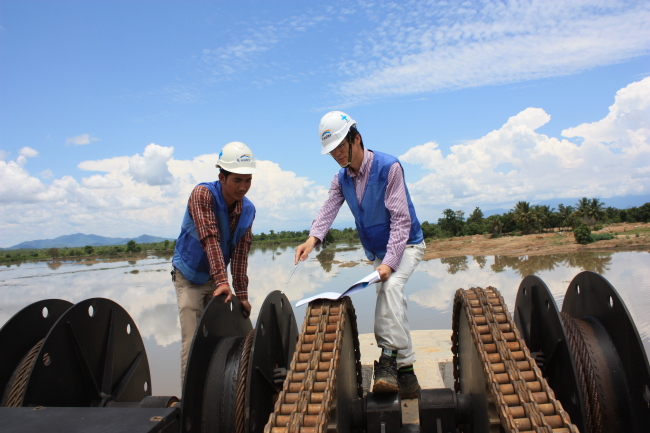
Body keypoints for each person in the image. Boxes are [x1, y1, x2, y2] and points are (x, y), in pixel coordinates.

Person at [294, 111, 425, 399]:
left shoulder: (389, 167)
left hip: (407, 245)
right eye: (332, 150)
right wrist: (311, 239)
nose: (338, 154)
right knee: (394, 302)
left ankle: (388, 361)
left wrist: (390, 263)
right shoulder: (341, 179)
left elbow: (402, 221)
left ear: (357, 138)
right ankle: (408, 376)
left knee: (390, 288)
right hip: (379, 251)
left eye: (341, 145)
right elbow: (328, 209)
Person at [172, 141, 257, 384]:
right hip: (189, 276)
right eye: (236, 180)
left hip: (217, 281)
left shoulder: (248, 210)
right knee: (193, 338)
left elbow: (241, 255)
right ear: (222, 177)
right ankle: (189, 400)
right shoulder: (203, 195)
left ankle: (219, 393)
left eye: (248, 180)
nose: (243, 187)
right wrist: (222, 280)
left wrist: (242, 294)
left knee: (219, 339)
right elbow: (210, 238)